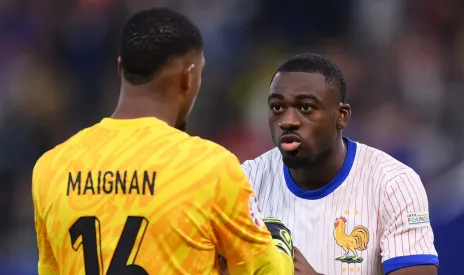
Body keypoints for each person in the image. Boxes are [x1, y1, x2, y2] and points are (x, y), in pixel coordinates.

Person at [32, 8, 294, 275]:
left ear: (121, 67)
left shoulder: (51, 168)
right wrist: (278, 237)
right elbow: (265, 270)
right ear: (189, 77)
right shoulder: (209, 168)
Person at [239, 53, 439, 275]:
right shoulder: (245, 181)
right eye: (277, 107)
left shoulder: (394, 184)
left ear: (341, 116)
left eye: (305, 107)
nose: (287, 121)